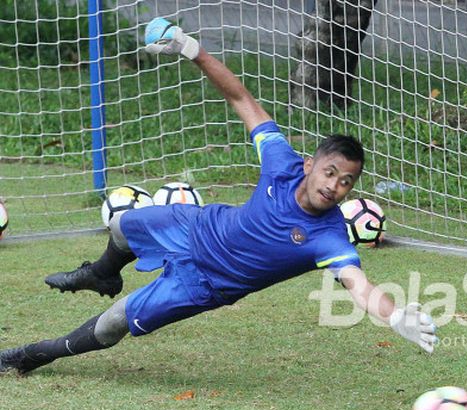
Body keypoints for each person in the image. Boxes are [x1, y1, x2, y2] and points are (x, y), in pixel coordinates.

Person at [0, 18, 437, 375]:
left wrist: (394, 315)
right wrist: (192, 48)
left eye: (346, 181)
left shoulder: (329, 238)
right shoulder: (282, 162)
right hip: (197, 226)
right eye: (330, 172)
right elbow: (240, 97)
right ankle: (102, 274)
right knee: (121, 224)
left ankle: (32, 356)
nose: (334, 186)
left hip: (203, 285)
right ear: (310, 165)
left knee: (115, 325)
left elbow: (360, 286)